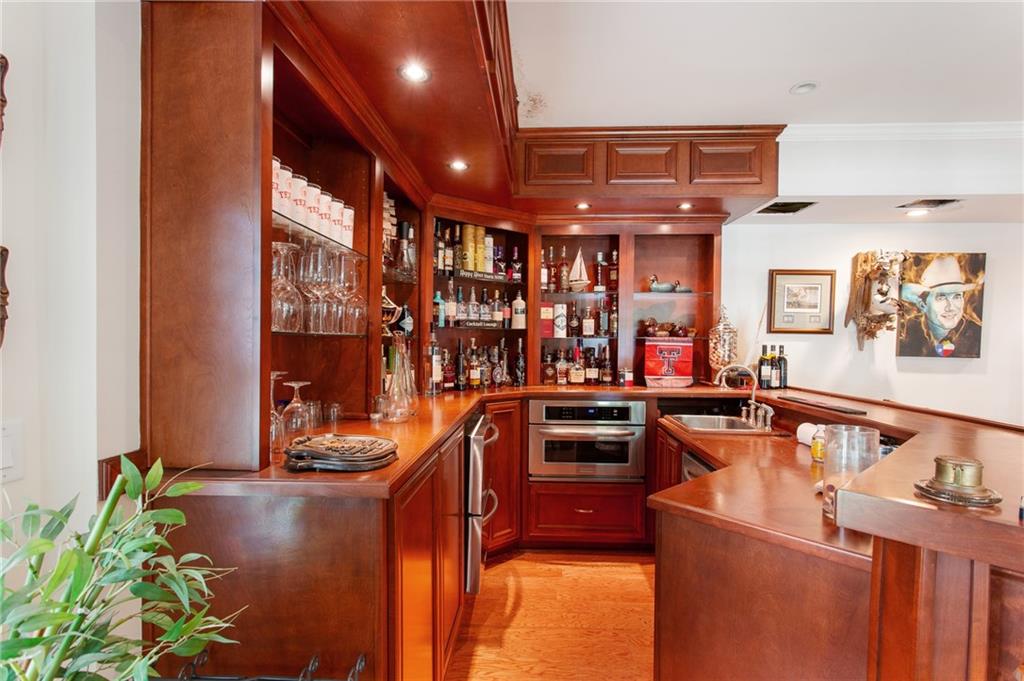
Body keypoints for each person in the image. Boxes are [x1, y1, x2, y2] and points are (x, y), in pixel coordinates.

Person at [899, 255, 982, 357]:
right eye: (941, 298)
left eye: (956, 297)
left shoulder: (976, 334)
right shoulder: (906, 332)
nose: (950, 307)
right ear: (922, 305)